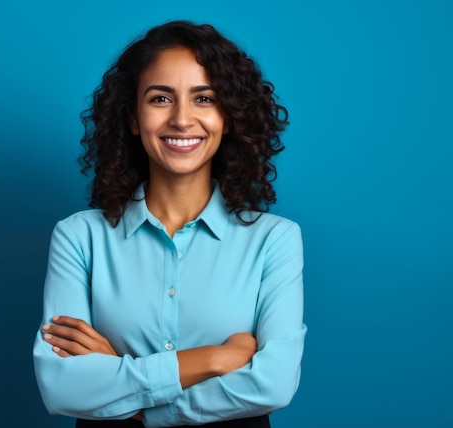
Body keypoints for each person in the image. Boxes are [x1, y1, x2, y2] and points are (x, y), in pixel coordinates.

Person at [33, 21, 306, 428]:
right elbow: (62, 387)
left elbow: (274, 384)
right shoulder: (79, 237)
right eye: (161, 98)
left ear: (227, 118)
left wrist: (132, 388)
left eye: (204, 99)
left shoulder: (275, 240)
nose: (181, 119)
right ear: (132, 117)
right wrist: (212, 359)